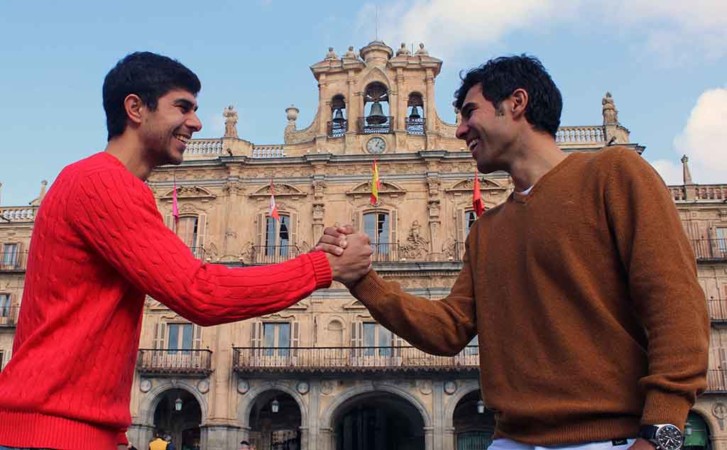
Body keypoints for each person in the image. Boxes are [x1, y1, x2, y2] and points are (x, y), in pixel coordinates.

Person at [320, 55, 709, 450]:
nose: (460, 129)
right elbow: (448, 330)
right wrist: (362, 280)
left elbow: (675, 303)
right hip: (511, 440)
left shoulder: (613, 174)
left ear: (516, 103)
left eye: (470, 112)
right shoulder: (486, 230)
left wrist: (661, 432)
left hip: (608, 439)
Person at [0, 51, 372, 450]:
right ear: (135, 108)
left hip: (65, 431)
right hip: (52, 434)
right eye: (182, 107)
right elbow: (200, 292)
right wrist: (321, 267)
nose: (195, 122)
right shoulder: (103, 183)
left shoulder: (97, 181)